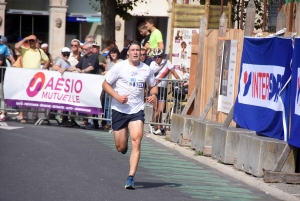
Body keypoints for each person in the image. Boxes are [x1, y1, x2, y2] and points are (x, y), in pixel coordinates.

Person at [102, 41, 158, 189]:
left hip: (136, 110)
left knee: (137, 141)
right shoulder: (119, 67)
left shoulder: (146, 69)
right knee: (120, 147)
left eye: (138, 50)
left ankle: (131, 177)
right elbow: (105, 84)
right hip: (119, 109)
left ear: (141, 52)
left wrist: (153, 95)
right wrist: (117, 96)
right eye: (132, 50)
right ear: (128, 52)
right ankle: (123, 139)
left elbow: (153, 86)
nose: (135, 52)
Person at [15, 34, 50, 123]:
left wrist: (44, 69)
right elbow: (16, 46)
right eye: (29, 41)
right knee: (25, 97)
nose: (31, 42)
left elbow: (47, 60)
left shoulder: (39, 51)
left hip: (36, 77)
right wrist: (26, 38)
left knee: (35, 98)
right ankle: (25, 116)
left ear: (36, 41)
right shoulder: (25, 50)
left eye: (32, 40)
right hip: (26, 76)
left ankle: (35, 117)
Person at [149, 48, 181, 135]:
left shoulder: (167, 62)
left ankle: (152, 123)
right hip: (154, 88)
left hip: (163, 88)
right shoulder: (152, 64)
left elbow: (174, 73)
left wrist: (180, 81)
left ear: (162, 56)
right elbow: (148, 77)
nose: (157, 58)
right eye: (155, 57)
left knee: (160, 109)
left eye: (158, 56)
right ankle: (159, 127)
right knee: (156, 109)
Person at [75, 42, 99, 129]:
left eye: (85, 49)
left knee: (91, 102)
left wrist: (83, 71)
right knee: (85, 102)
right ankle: (86, 120)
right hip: (84, 83)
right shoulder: (83, 58)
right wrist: (70, 69)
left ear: (90, 49)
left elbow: (92, 67)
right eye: (83, 49)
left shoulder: (94, 56)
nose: (83, 51)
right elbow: (77, 66)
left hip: (92, 83)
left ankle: (91, 121)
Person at [53, 47, 76, 127]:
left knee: (66, 103)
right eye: (64, 54)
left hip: (66, 86)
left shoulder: (68, 63)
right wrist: (60, 69)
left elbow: (70, 69)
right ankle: (62, 118)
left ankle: (65, 119)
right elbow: (55, 67)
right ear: (61, 54)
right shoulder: (60, 60)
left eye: (67, 54)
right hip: (61, 85)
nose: (66, 56)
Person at [102, 47, 123, 130]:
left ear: (117, 53)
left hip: (118, 87)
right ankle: (108, 122)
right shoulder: (109, 62)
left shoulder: (121, 62)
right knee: (107, 105)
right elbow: (106, 71)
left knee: (115, 105)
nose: (113, 55)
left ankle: (115, 121)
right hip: (109, 86)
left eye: (115, 53)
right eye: (111, 53)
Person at [0, 53, 7, 121]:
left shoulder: (1, 55)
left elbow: (0, 63)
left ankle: (2, 113)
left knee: (1, 97)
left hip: (1, 79)